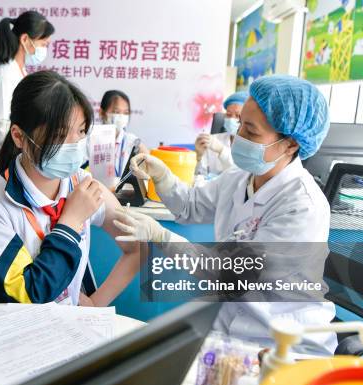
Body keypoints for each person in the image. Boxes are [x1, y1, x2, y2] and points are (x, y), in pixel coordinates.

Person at [115, 75, 337, 354]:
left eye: (251, 132)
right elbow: (191, 206)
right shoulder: (240, 176)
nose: (238, 136)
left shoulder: (302, 206)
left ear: (290, 144)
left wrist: (160, 236)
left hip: (281, 342)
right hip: (230, 324)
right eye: (240, 123)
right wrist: (164, 177)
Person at [0, 71, 140, 306]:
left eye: (81, 131)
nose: (74, 145)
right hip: (19, 337)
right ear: (19, 136)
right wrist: (71, 221)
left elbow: (138, 247)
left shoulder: (84, 187)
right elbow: (32, 292)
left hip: (71, 333)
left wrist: (95, 303)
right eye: (60, 134)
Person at [0, 11, 54, 161]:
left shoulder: (21, 72)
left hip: (25, 158)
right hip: (9, 162)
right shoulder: (3, 75)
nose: (44, 50)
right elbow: (1, 127)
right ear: (25, 39)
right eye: (43, 44)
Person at [194, 91, 248, 180]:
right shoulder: (213, 140)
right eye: (228, 114)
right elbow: (199, 174)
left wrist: (222, 150)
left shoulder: (251, 146)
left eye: (238, 115)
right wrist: (199, 157)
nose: (231, 119)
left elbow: (240, 176)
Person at [99, 90, 148, 184]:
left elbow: (150, 167)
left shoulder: (133, 141)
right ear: (102, 113)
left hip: (124, 194)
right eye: (116, 112)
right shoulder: (91, 139)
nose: (121, 116)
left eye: (125, 113)